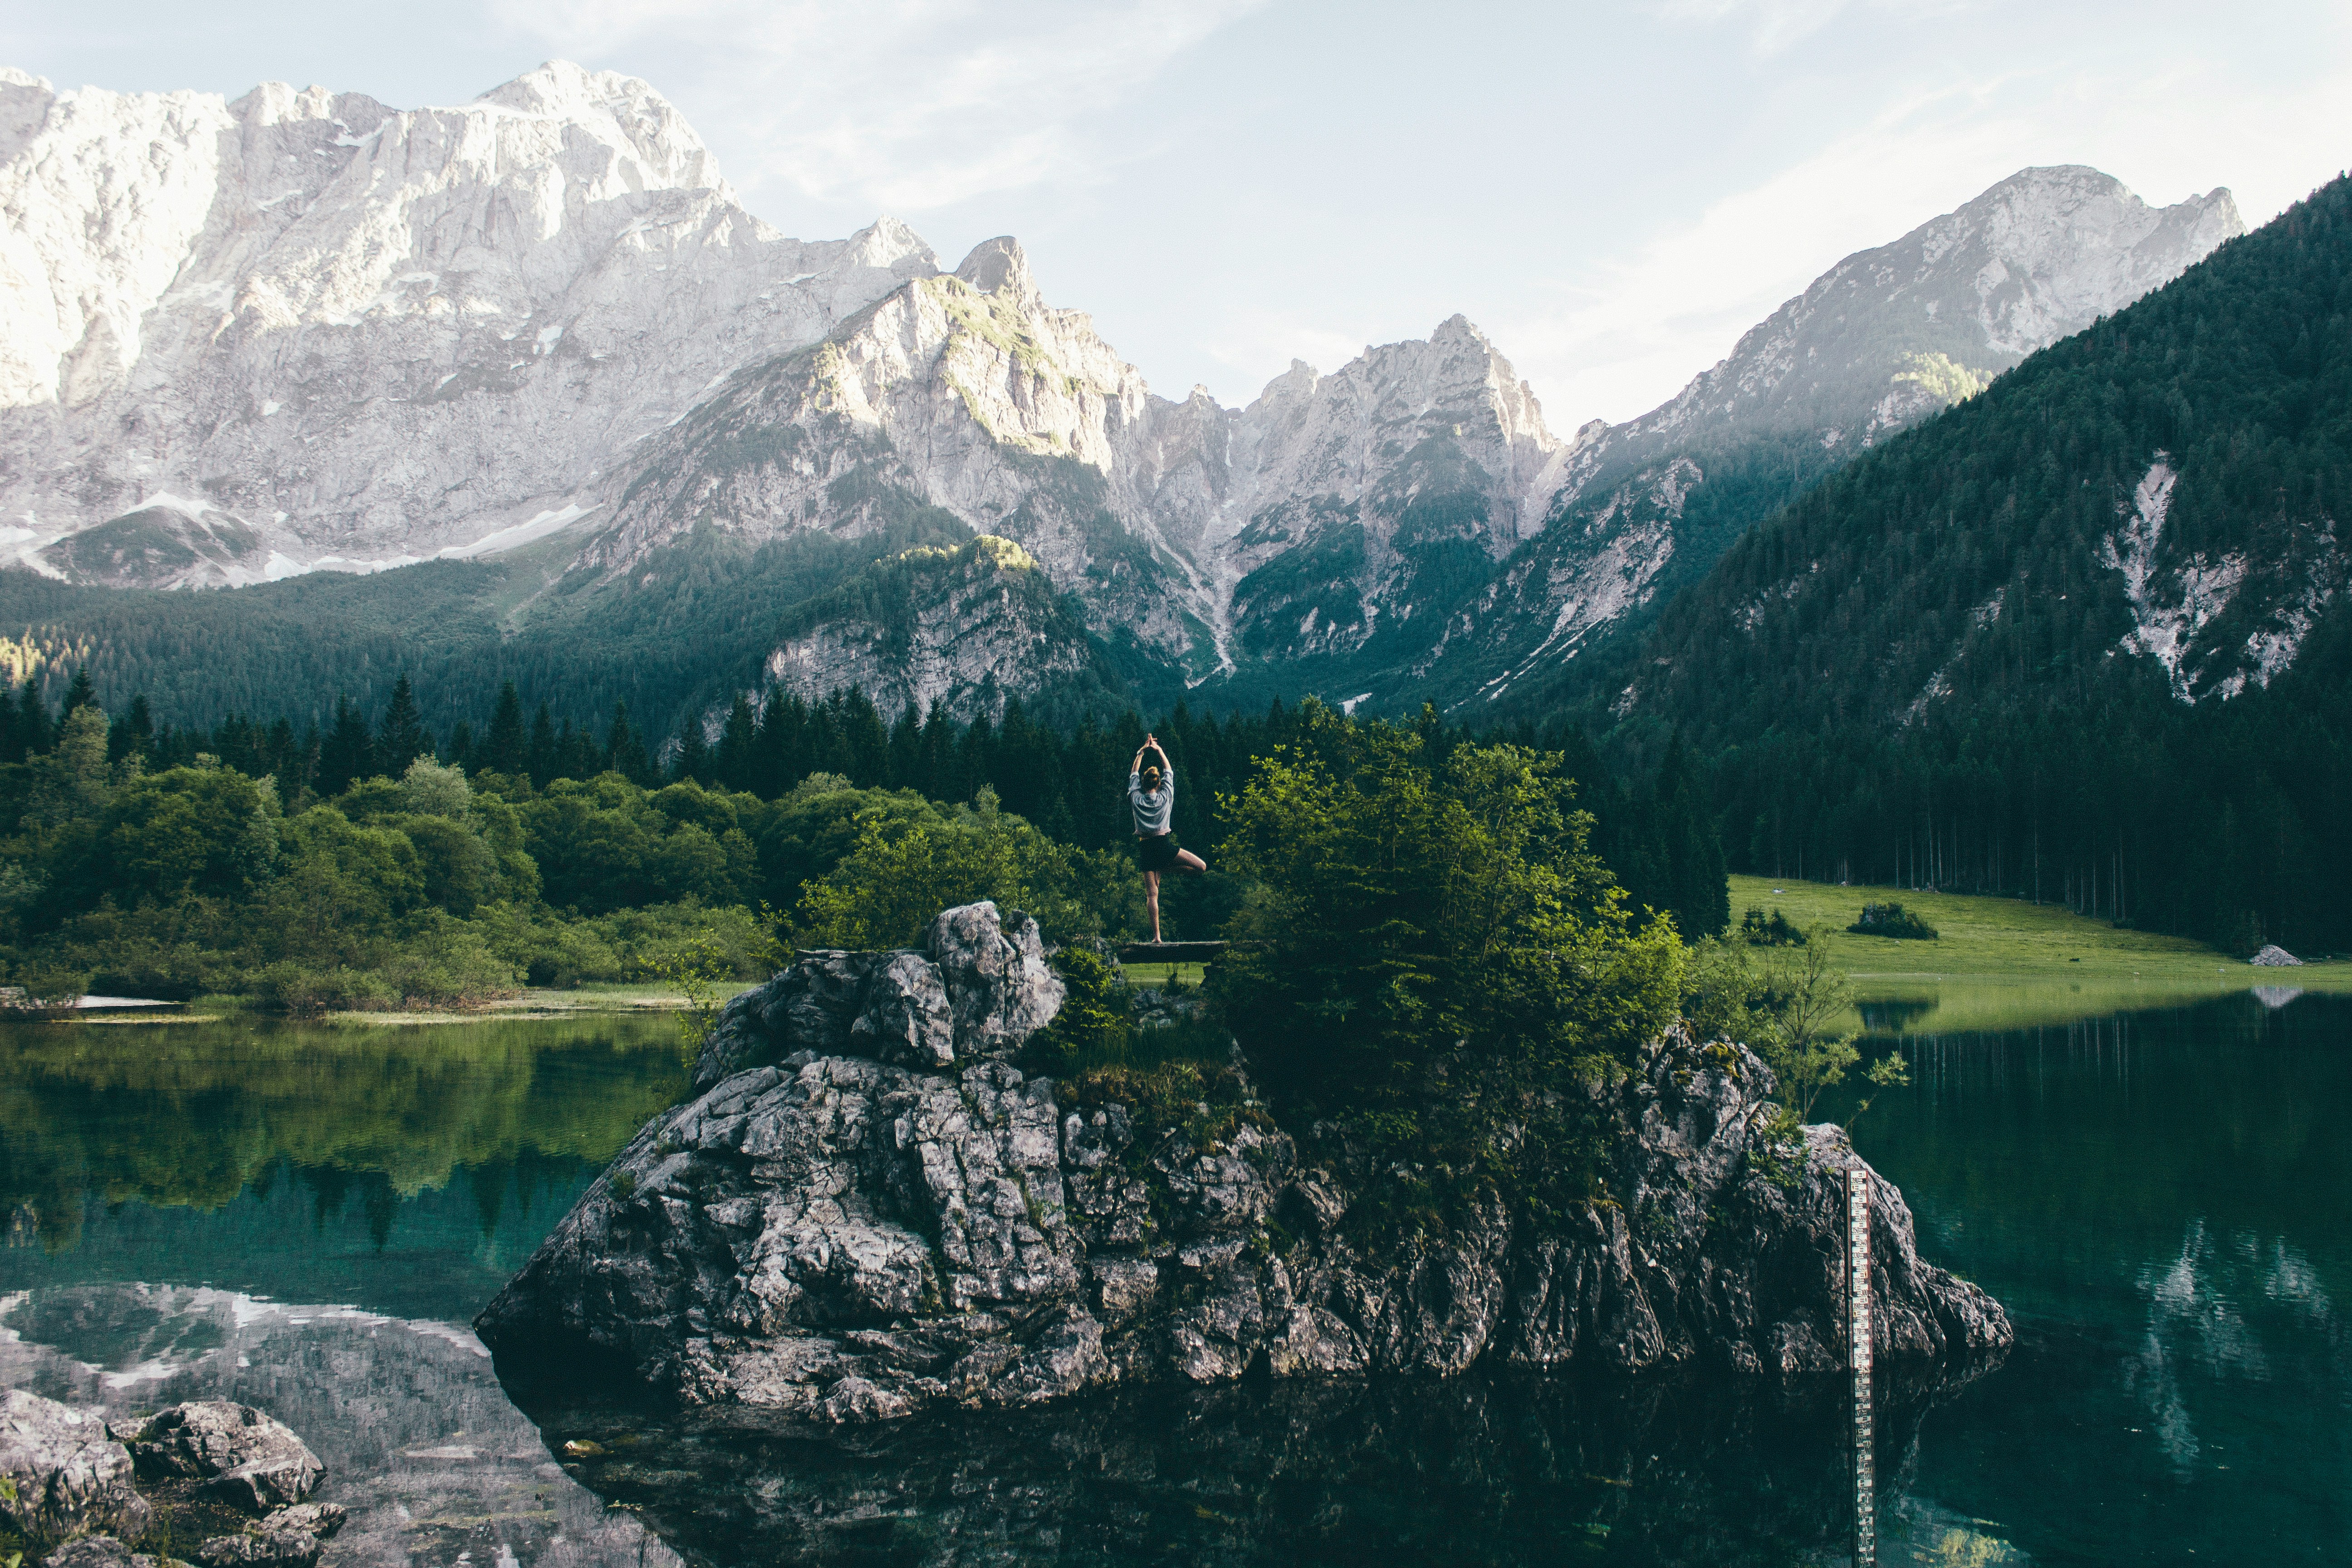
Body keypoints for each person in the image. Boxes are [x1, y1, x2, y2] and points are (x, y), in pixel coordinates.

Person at [1130, 733, 1205, 943]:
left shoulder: (1135, 798)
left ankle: (1157, 937)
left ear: (1143, 784)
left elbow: (1133, 774)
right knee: (1201, 867)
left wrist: (1142, 752)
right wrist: (1159, 750)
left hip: (1145, 849)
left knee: (1152, 896)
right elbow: (1169, 771)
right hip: (1164, 847)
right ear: (1159, 783)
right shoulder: (1166, 796)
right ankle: (1167, 868)